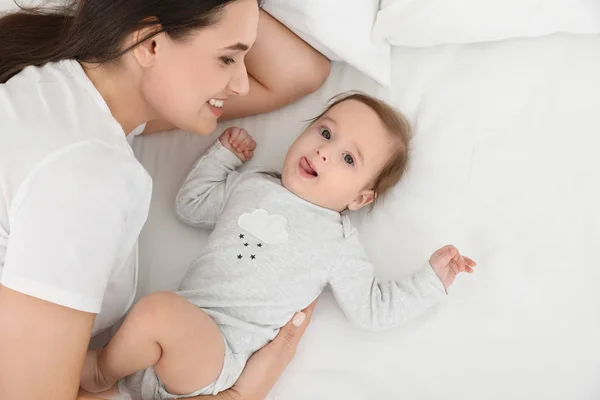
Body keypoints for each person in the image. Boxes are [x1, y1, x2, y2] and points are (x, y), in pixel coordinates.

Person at [0, 0, 331, 398]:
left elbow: (299, 74)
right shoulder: (85, 178)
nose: (241, 82)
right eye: (227, 58)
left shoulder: (59, 84)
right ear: (150, 44)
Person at [80, 92, 477, 400]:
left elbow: (372, 309)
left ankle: (100, 369)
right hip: (161, 352)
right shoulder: (254, 185)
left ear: (359, 199)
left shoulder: (336, 240)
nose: (324, 150)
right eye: (325, 132)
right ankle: (103, 379)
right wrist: (223, 158)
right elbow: (191, 206)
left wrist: (430, 281)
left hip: (219, 354)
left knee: (155, 311)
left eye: (348, 159)